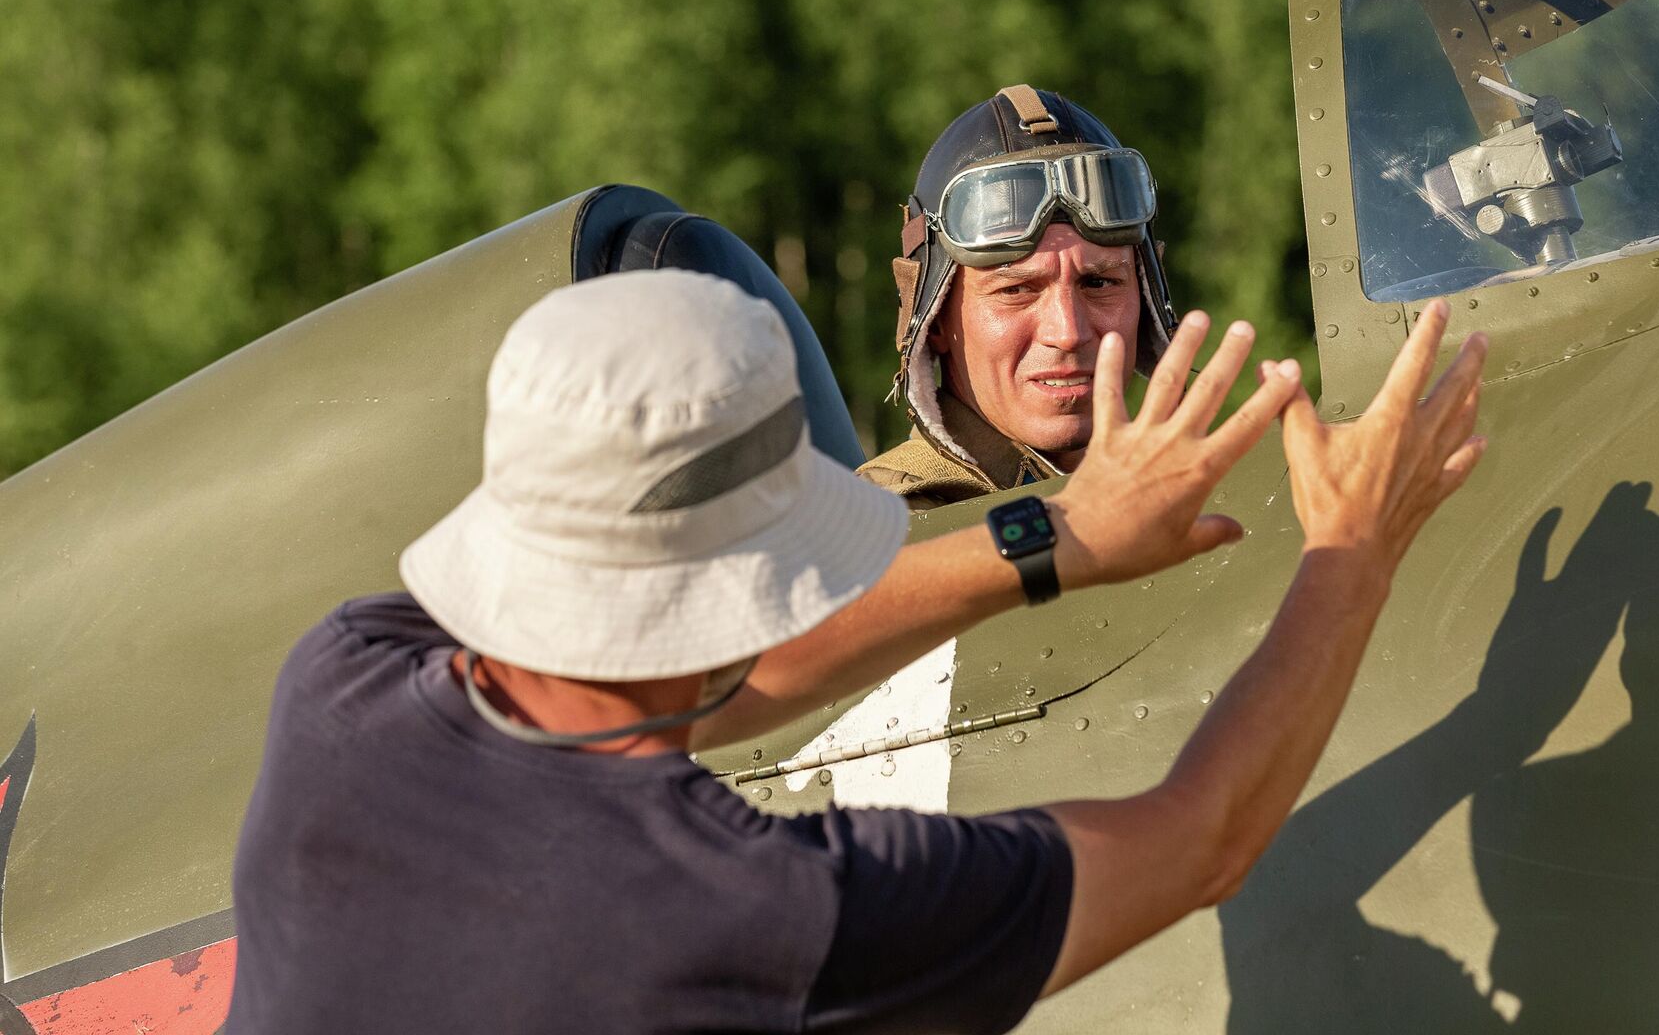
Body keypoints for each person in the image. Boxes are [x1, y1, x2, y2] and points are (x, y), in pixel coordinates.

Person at [226, 267, 1486, 1034]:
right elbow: (1204, 834)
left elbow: (665, 684)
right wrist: (1353, 547)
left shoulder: (338, 687)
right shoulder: (758, 908)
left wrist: (1062, 534)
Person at [858, 84, 1179, 509]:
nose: (1068, 333)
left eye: (1099, 283)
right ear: (935, 321)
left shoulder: (1196, 493)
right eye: (1016, 290)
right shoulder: (878, 532)